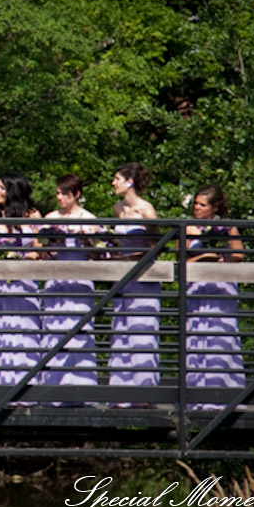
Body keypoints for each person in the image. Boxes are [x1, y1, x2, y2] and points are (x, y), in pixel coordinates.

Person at [0, 172, 44, 397]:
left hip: (23, 282)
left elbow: (39, 247)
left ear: (14, 190)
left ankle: (23, 392)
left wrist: (21, 259)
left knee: (23, 332)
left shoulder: (32, 215)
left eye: (2, 188)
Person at [39, 174, 100, 405]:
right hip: (56, 279)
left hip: (79, 279)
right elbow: (41, 251)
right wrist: (49, 247)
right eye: (57, 193)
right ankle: (53, 391)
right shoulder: (50, 218)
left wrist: (87, 242)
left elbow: (98, 255)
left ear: (76, 195)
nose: (59, 197)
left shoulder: (89, 219)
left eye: (64, 193)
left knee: (79, 329)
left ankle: (81, 388)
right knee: (54, 328)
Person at [183, 185, 244, 410]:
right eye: (195, 203)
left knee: (221, 339)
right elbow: (180, 262)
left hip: (221, 287)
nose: (196, 208)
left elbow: (238, 255)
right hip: (198, 288)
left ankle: (224, 394)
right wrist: (204, 256)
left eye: (202, 205)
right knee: (198, 338)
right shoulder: (188, 228)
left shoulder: (227, 228)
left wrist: (219, 260)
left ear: (215, 207)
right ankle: (197, 396)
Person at [107, 163, 160, 405]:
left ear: (129, 182)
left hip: (143, 276)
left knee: (142, 329)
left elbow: (156, 245)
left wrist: (134, 259)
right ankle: (121, 391)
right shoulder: (118, 209)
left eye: (117, 179)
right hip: (122, 276)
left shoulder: (146, 210)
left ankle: (144, 391)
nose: (113, 183)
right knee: (122, 329)